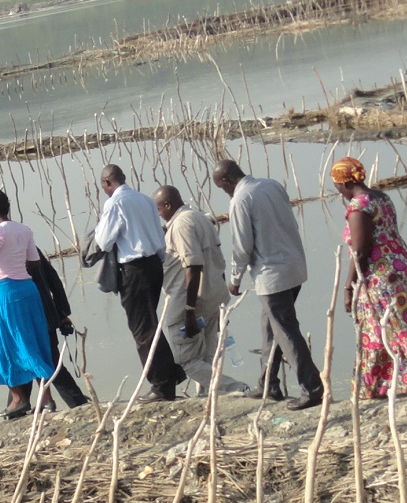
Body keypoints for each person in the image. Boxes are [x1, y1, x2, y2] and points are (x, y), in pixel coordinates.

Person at [331, 156, 407, 408]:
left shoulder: (358, 207)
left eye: (336, 185)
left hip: (381, 275)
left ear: (343, 183)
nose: (337, 190)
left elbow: (360, 251)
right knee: (376, 327)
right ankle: (372, 385)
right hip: (399, 264)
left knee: (405, 327)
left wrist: (348, 287)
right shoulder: (380, 197)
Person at [214, 159, 323, 409]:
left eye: (222, 187)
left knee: (285, 331)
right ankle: (268, 384)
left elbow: (242, 246)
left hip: (272, 274)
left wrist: (234, 278)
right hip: (294, 265)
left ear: (228, 181)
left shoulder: (240, 200)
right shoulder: (271, 185)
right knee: (269, 327)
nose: (224, 192)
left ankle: (312, 387)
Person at [93, 165, 184, 402]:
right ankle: (170, 375)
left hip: (134, 269)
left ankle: (163, 384)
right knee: (149, 323)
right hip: (154, 264)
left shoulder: (115, 203)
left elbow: (103, 241)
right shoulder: (144, 199)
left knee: (143, 329)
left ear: (107, 183)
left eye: (103, 186)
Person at [0, 188, 56, 419]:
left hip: (8, 295)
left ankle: (19, 399)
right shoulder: (23, 229)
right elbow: (34, 262)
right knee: (32, 342)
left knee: (3, 345)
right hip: (28, 291)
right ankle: (45, 399)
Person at [153, 186, 252, 396]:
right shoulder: (198, 217)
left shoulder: (180, 225)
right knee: (206, 356)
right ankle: (206, 396)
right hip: (213, 295)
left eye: (159, 209)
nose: (158, 215)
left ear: (168, 205)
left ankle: (236, 388)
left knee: (187, 360)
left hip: (190, 300)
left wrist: (189, 309)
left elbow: (193, 266)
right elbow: (217, 261)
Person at [26, 247, 90, 409]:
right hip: (45, 313)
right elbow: (54, 279)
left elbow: (51, 279)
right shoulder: (28, 245)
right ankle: (25, 403)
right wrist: (62, 312)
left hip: (36, 314)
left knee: (42, 358)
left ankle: (74, 401)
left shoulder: (11, 251)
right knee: (34, 357)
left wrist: (62, 313)